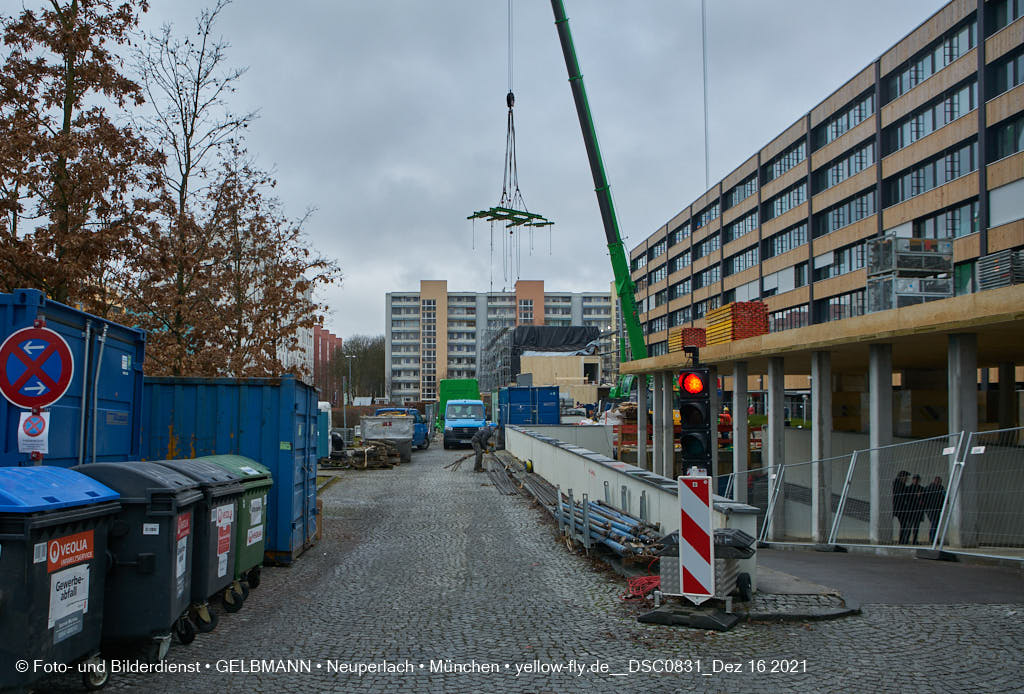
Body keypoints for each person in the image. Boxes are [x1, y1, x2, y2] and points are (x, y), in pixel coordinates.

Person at [923, 476, 947, 543]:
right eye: (938, 481)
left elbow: (945, 496)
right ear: (935, 481)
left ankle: (933, 538)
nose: (939, 483)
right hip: (931, 508)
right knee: (934, 523)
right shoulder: (929, 488)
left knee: (934, 523)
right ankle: (933, 538)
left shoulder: (940, 488)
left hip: (936, 508)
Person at [906, 474, 925, 545]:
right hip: (910, 510)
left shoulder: (921, 489)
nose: (916, 481)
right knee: (909, 526)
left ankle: (914, 541)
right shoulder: (908, 489)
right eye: (914, 479)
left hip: (918, 510)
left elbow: (924, 500)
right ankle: (906, 540)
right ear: (912, 480)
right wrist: (916, 496)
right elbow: (907, 499)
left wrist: (920, 498)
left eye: (917, 479)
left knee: (916, 527)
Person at [892, 470, 910, 544]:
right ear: (902, 477)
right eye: (906, 477)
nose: (907, 479)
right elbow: (901, 497)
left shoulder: (896, 484)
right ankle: (902, 540)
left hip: (897, 507)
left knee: (903, 523)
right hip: (899, 507)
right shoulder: (899, 485)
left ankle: (902, 540)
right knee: (904, 523)